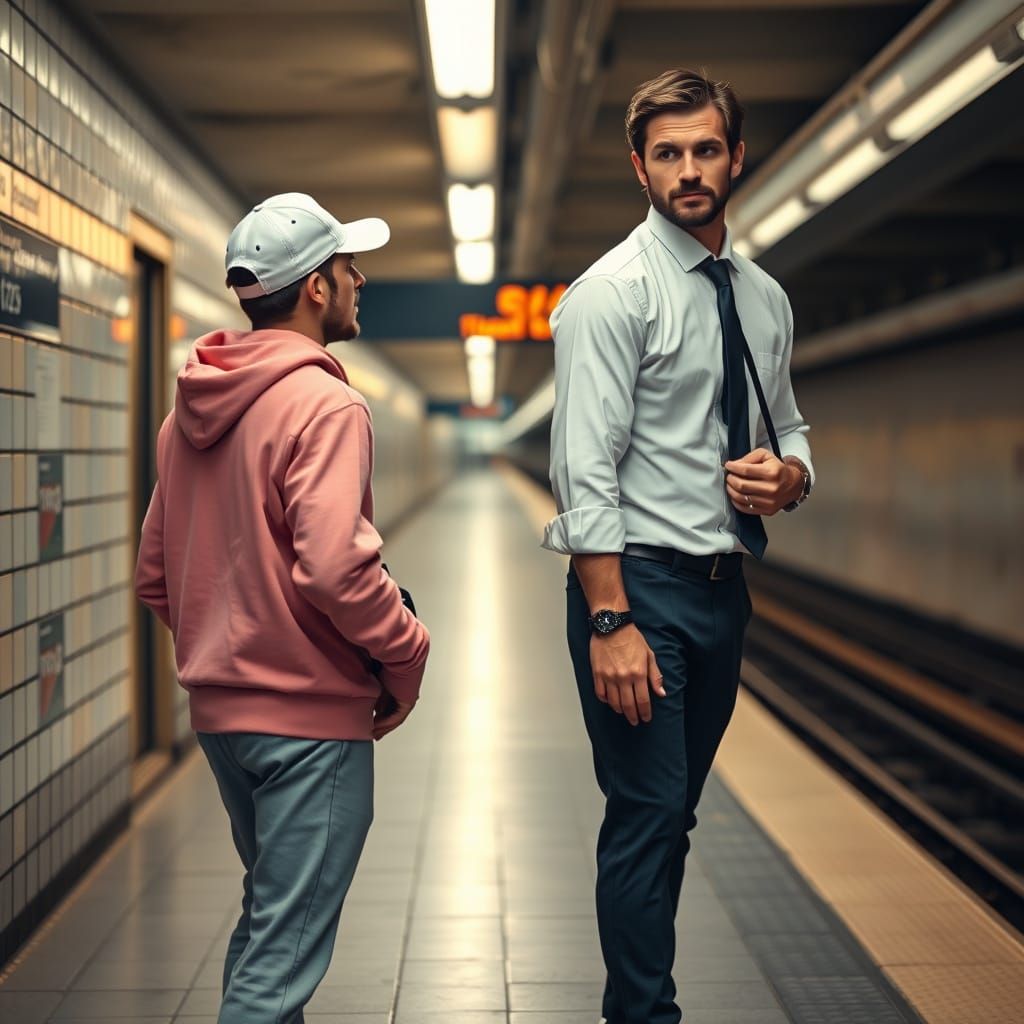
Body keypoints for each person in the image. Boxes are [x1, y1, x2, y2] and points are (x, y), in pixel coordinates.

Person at [543, 70, 814, 1024]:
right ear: (639, 167)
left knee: (673, 820)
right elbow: (584, 472)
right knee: (648, 815)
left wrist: (792, 477)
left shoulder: (764, 299)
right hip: (641, 594)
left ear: (736, 157)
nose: (690, 170)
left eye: (706, 150)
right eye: (668, 153)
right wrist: (609, 619)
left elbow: (791, 427)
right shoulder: (612, 295)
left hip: (720, 594)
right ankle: (644, 1016)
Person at [135, 192, 430, 1024]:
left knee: (269, 929)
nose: (360, 279)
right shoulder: (326, 405)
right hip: (310, 726)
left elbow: (157, 573)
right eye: (347, 268)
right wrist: (406, 654)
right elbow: (337, 568)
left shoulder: (184, 415)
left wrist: (228, 656)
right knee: (278, 964)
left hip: (224, 720)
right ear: (314, 289)